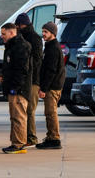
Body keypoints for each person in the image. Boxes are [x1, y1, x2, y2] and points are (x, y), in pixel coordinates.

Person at [0, 22, 32, 154]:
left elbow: (21, 70)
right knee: (14, 116)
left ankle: (18, 144)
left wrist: (15, 87)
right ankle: (15, 142)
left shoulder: (20, 47)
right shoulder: (11, 46)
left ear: (12, 32)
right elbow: (10, 66)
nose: (2, 36)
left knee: (18, 117)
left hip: (19, 89)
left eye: (3, 34)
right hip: (13, 88)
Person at [14, 13, 43, 147]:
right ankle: (25, 137)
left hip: (33, 80)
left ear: (21, 25)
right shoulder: (26, 37)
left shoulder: (33, 38)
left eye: (17, 25)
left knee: (29, 109)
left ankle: (31, 138)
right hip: (28, 79)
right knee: (24, 109)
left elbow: (37, 61)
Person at [36, 21, 66, 149]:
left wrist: (44, 88)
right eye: (42, 31)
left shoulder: (53, 48)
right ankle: (50, 136)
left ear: (52, 33)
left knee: (50, 113)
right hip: (53, 85)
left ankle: (54, 139)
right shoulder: (50, 46)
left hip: (52, 87)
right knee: (49, 113)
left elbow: (50, 70)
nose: (43, 34)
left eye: (46, 32)